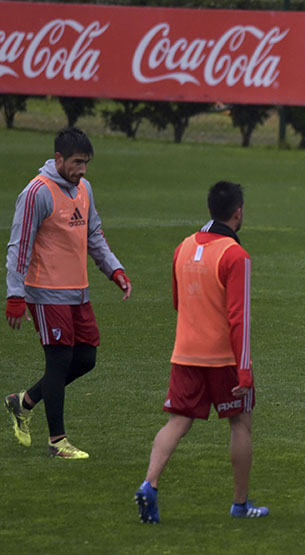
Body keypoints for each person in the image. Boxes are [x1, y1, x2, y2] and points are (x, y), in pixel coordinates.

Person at [135, 181, 267, 523]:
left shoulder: (183, 246)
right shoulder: (236, 255)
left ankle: (149, 484)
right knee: (240, 423)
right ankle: (240, 504)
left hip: (185, 353)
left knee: (178, 421)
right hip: (223, 358)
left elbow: (178, 302)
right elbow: (239, 318)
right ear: (238, 213)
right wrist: (244, 371)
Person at [4, 127, 132, 460]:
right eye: (77, 162)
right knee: (59, 362)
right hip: (45, 292)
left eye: (86, 163)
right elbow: (19, 246)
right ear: (58, 158)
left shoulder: (84, 189)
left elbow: (95, 236)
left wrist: (114, 270)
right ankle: (58, 442)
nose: (82, 170)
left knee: (86, 358)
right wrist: (15, 295)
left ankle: (23, 402)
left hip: (78, 292)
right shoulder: (36, 193)